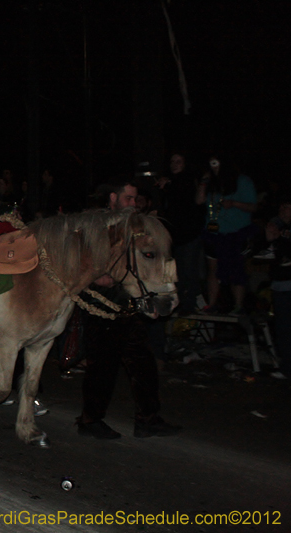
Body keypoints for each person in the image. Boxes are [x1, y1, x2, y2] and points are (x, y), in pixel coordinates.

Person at [76, 179, 181, 439]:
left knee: (143, 363)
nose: (134, 204)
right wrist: (99, 275)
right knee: (102, 366)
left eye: (135, 199)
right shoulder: (94, 224)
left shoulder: (133, 226)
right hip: (100, 302)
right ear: (113, 198)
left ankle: (147, 418)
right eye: (129, 199)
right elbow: (83, 262)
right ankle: (90, 420)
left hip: (126, 304)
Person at [197, 154, 257, 315]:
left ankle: (238, 306)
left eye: (216, 163)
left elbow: (254, 207)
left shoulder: (243, 181)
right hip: (214, 233)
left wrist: (235, 203)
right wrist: (203, 181)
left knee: (236, 268)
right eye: (211, 164)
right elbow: (199, 201)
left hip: (236, 233)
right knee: (213, 270)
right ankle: (212, 304)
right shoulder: (211, 183)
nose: (214, 167)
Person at [156, 151, 206, 316]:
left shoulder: (188, 180)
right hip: (175, 236)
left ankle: (190, 304)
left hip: (190, 234)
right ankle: (183, 302)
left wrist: (168, 184)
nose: (175, 164)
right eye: (172, 161)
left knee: (190, 270)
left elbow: (189, 200)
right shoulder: (168, 183)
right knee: (178, 272)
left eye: (179, 161)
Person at [259, 198, 291, 379]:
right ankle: (286, 368)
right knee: (283, 329)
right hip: (279, 285)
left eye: (286, 205)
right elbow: (262, 252)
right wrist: (269, 238)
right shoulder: (275, 225)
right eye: (281, 205)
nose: (282, 209)